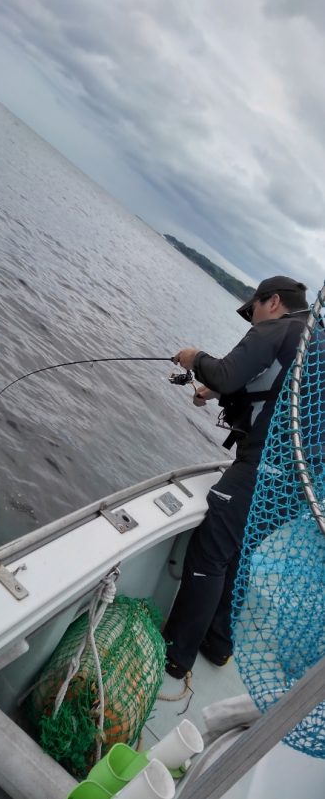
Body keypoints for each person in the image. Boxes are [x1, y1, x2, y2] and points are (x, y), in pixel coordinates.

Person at [164, 275, 309, 679]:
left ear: (274, 301)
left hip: (264, 466)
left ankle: (176, 655)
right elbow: (278, 390)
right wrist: (216, 393)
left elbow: (227, 372)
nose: (253, 321)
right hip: (298, 483)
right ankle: (218, 644)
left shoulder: (279, 327)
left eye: (254, 310)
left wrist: (194, 358)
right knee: (239, 553)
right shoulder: (313, 340)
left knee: (211, 552)